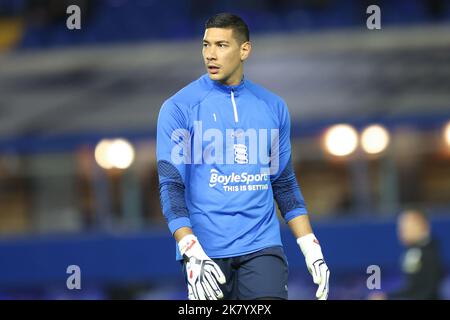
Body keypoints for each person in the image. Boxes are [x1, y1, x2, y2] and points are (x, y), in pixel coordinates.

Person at [156, 13, 330, 300]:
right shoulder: (178, 109)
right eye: (206, 44)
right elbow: (172, 185)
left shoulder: (273, 107)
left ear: (244, 50)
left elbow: (284, 184)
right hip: (205, 253)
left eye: (222, 45)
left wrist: (311, 246)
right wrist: (189, 248)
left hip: (263, 247)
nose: (210, 54)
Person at [369, 209, 445, 300]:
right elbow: (412, 287)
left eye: (406, 227)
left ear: (421, 225)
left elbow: (424, 291)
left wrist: (387, 297)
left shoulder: (428, 253)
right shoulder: (415, 250)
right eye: (401, 227)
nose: (401, 232)